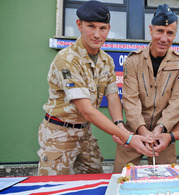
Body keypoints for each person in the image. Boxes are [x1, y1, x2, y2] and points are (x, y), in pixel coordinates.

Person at [37, 1, 154, 176]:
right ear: (79, 25)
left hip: (85, 133)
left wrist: (120, 125)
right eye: (91, 26)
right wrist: (128, 137)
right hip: (59, 135)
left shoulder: (106, 60)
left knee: (94, 179)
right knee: (52, 187)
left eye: (102, 28)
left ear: (108, 28)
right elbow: (87, 110)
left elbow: (113, 95)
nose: (97, 34)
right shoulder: (67, 60)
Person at [112, 4, 179, 173]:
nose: (164, 38)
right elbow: (130, 100)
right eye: (160, 31)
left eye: (170, 33)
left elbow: (178, 101)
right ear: (151, 30)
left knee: (166, 179)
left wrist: (160, 129)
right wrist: (142, 129)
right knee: (121, 176)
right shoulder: (133, 60)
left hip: (163, 135)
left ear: (175, 34)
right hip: (134, 131)